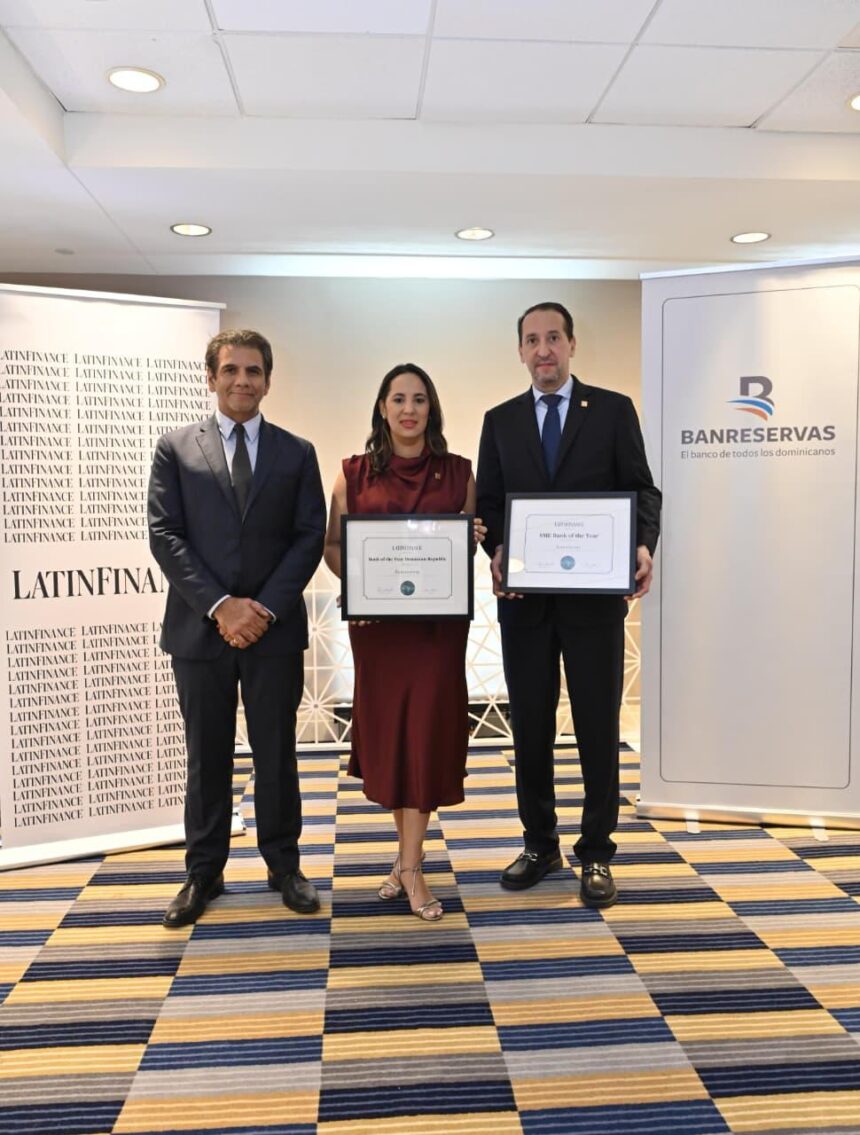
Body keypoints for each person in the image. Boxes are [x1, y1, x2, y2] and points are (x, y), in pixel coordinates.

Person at [476, 302, 661, 908]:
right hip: (525, 603)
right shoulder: (500, 420)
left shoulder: (612, 410)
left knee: (597, 728)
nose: (543, 350)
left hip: (594, 604)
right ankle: (539, 844)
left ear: (572, 344)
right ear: (520, 351)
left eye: (553, 337)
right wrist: (496, 552)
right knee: (530, 729)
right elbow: (491, 504)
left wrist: (642, 544)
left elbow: (642, 489)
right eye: (532, 340)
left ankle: (597, 851)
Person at [148, 329, 326, 928]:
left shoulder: (297, 452)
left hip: (274, 631)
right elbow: (165, 536)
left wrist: (262, 609)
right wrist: (222, 607)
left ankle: (284, 866)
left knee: (277, 752)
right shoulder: (176, 449)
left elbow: (309, 536)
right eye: (231, 370)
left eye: (253, 371)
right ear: (212, 377)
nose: (242, 380)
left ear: (268, 381)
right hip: (200, 632)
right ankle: (203, 872)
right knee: (207, 755)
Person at [324, 364, 485, 921]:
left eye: (419, 399)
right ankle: (407, 858)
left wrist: (469, 538)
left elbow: (459, 551)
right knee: (394, 740)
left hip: (435, 632)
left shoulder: (460, 473)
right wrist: (361, 589)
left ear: (431, 407)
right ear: (383, 407)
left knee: (425, 736)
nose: (409, 409)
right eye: (398, 399)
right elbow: (334, 547)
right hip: (379, 631)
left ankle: (411, 867)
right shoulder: (351, 473)